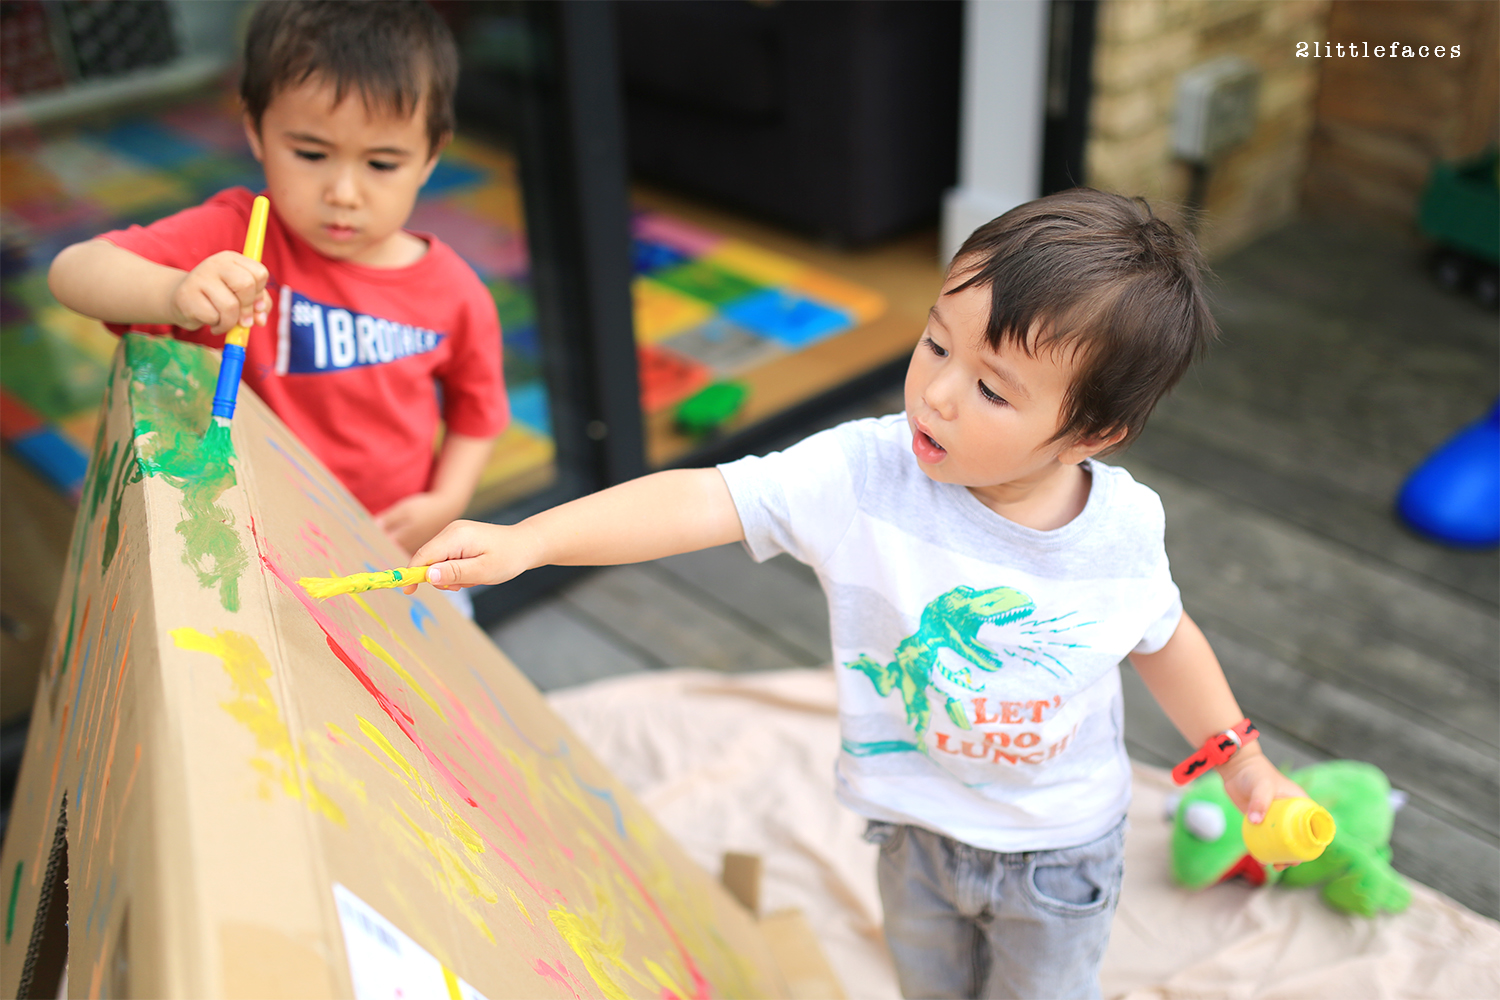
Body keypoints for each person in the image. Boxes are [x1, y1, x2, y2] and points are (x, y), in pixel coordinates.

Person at [406, 189, 1305, 999]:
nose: (936, 395)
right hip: (912, 829)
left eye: (991, 390)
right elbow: (703, 499)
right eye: (935, 344)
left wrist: (1237, 756)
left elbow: (1161, 636)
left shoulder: (1120, 529)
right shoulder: (863, 473)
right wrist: (532, 541)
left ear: (1092, 433)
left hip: (1060, 851)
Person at [48, 0, 506, 568]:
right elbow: (73, 270)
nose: (343, 193)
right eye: (311, 153)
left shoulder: (455, 291)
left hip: (389, 552)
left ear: (432, 156)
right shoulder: (231, 238)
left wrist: (448, 500)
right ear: (257, 131)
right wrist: (174, 291)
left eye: (382, 164)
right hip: (242, 543)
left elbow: (478, 412)